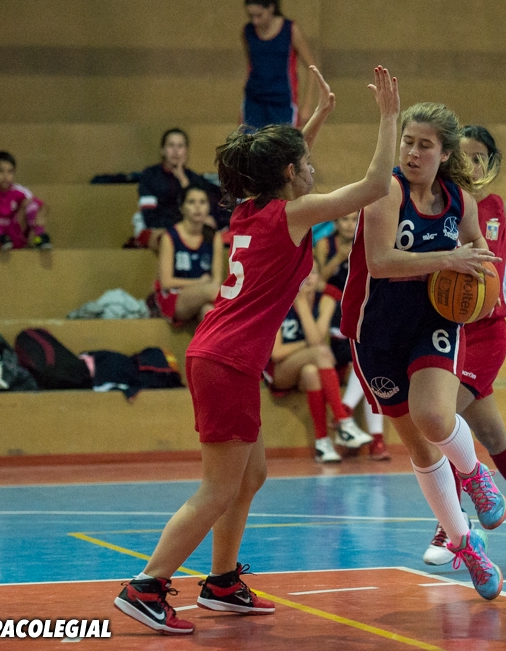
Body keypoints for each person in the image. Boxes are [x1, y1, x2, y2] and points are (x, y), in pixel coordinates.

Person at [113, 64, 400, 635]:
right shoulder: (292, 214)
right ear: (291, 174)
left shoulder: (253, 208)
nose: (313, 170)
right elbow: (373, 187)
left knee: (250, 476)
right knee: (219, 486)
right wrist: (389, 116)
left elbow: (283, 167)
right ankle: (145, 587)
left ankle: (221, 582)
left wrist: (317, 118)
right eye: (306, 165)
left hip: (223, 356)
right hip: (226, 359)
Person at [340, 102, 506, 601]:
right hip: (376, 331)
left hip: (434, 321)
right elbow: (381, 261)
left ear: (445, 153)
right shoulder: (386, 191)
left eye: (425, 145)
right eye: (408, 142)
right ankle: (465, 544)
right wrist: (449, 258)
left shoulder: (461, 203)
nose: (413, 153)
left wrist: (481, 284)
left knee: (435, 416)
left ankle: (475, 475)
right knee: (419, 447)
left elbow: (480, 257)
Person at [420, 125, 506, 568]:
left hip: (488, 332)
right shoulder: (441, 206)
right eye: (464, 155)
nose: (472, 163)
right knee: (491, 434)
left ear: (491, 163)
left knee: (442, 421)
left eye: (480, 156)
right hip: (449, 331)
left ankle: (452, 523)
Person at [264, 261, 373, 463]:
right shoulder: (278, 303)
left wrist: (303, 306)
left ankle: (322, 443)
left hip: (308, 366)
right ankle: (342, 420)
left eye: (313, 273)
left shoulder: (326, 301)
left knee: (311, 372)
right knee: (320, 354)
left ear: (319, 278)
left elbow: (317, 341)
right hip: (281, 371)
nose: (308, 278)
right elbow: (277, 353)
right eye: (303, 273)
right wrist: (298, 304)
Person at [315, 214, 391, 460]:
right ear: (335, 223)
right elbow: (317, 281)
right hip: (332, 315)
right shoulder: (325, 244)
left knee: (371, 366)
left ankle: (348, 413)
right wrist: (339, 257)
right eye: (344, 220)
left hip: (360, 314)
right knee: (368, 365)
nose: (349, 225)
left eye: (352, 220)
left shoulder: (367, 241)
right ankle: (372, 436)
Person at [132, 128, 227, 252]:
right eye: (171, 145)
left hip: (192, 228)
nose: (175, 151)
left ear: (186, 151)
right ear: (162, 150)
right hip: (160, 229)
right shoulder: (150, 176)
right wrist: (182, 225)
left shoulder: (194, 178)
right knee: (167, 238)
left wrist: (183, 181)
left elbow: (216, 209)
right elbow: (150, 217)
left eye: (180, 146)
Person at [153, 186, 225, 326]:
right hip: (175, 297)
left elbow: (217, 280)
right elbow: (166, 282)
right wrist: (199, 282)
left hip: (203, 296)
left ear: (208, 207)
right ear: (182, 208)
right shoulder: (170, 236)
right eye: (191, 202)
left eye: (202, 202)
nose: (197, 207)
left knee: (209, 312)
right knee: (212, 290)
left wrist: (205, 285)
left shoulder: (214, 237)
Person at [242, 1, 317, 130]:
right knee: (250, 142)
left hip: (282, 103)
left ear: (271, 7)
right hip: (254, 102)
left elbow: (312, 68)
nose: (255, 21)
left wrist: (307, 105)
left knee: (281, 142)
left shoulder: (290, 30)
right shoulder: (248, 31)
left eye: (259, 15)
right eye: (251, 16)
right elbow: (251, 66)